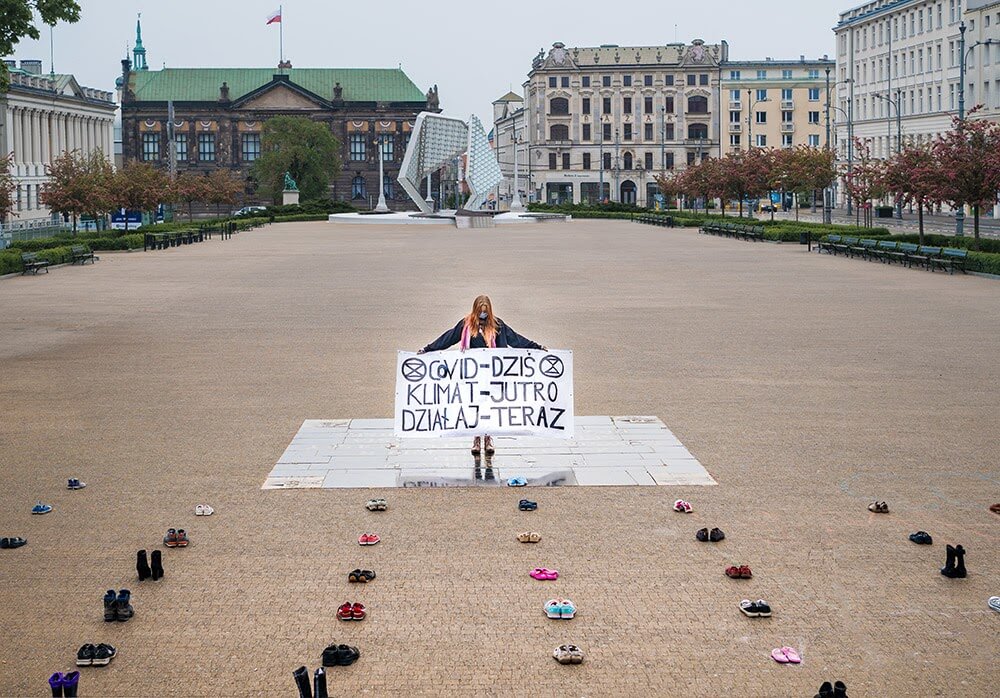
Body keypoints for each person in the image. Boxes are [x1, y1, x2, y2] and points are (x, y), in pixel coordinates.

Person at [418, 295, 546, 455]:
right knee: (475, 406)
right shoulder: (466, 324)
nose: (483, 316)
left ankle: (488, 438)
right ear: (475, 310)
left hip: (492, 375)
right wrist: (428, 349)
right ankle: (476, 438)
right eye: (480, 312)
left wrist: (535, 347)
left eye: (485, 312)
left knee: (489, 406)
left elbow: (516, 339)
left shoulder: (497, 325)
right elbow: (448, 338)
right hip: (473, 376)